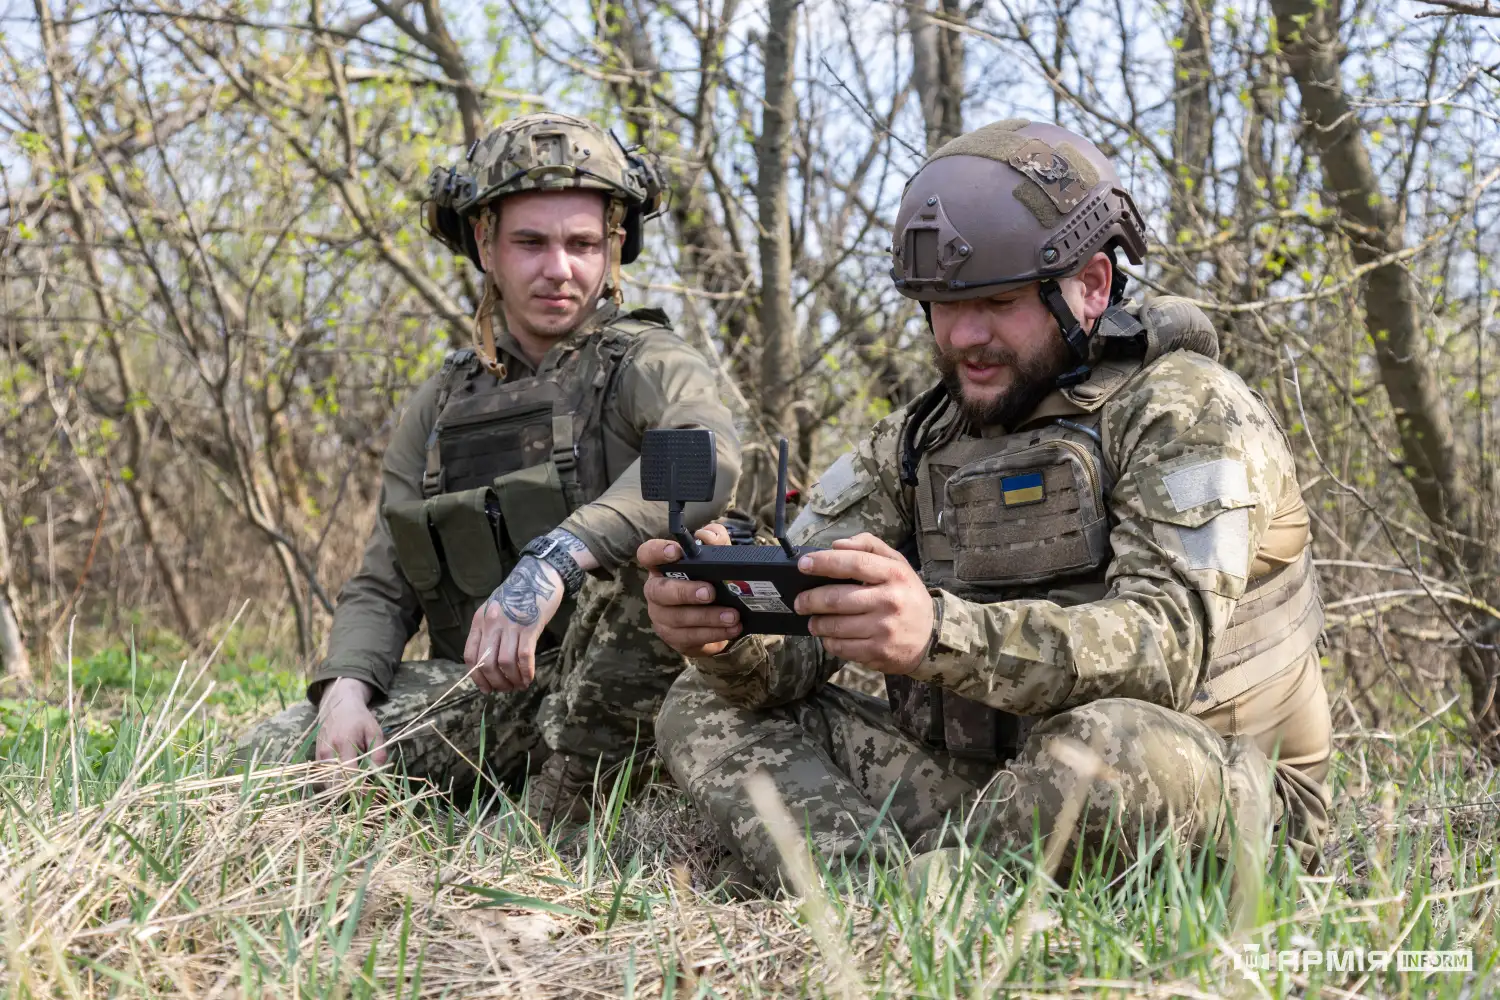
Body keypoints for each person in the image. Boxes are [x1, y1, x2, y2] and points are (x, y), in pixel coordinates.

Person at [639, 119, 1332, 888]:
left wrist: (939, 631)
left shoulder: (1184, 410)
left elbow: (1165, 652)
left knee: (1108, 744)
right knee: (700, 706)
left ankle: (938, 897)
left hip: (1214, 795)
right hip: (995, 790)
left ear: (1092, 286)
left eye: (998, 302)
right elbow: (793, 645)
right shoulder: (917, 440)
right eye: (941, 304)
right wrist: (728, 629)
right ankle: (868, 896)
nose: (965, 336)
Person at [239, 112, 741, 827]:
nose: (559, 270)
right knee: (265, 759)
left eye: (583, 244)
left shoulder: (646, 364)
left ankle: (568, 812)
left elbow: (703, 459)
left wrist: (555, 560)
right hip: (495, 699)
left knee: (662, 561)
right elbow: (385, 580)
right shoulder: (443, 403)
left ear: (614, 249)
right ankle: (512, 797)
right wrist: (346, 690)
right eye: (531, 243)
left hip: (627, 699)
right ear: (486, 244)